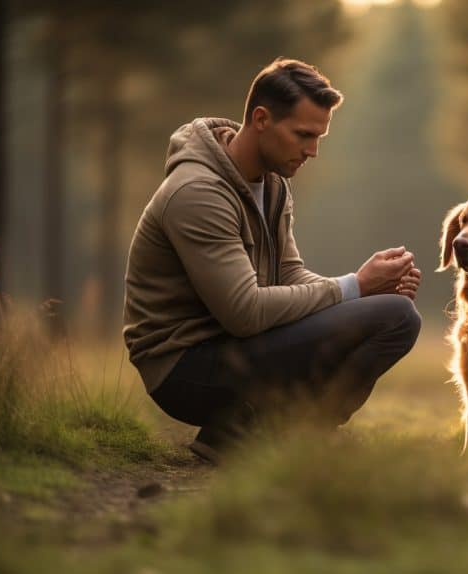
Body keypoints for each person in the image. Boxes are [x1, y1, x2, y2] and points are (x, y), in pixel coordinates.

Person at [123, 58, 422, 463]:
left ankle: (234, 431)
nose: (313, 151)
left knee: (392, 314)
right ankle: (297, 433)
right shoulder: (197, 193)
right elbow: (244, 312)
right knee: (396, 316)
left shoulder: (272, 183)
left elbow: (288, 273)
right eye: (303, 135)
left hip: (235, 347)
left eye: (319, 137)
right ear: (261, 119)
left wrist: (363, 295)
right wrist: (355, 286)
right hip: (185, 369)